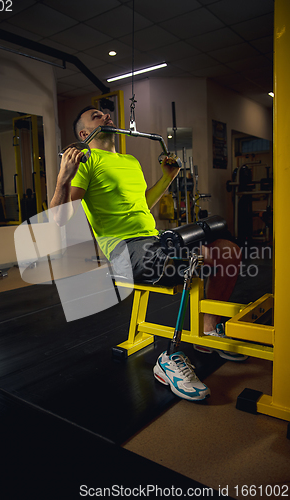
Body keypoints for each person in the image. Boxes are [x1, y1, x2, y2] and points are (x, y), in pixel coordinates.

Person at [50, 106, 244, 402]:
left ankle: (207, 333)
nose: (106, 116)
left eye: (105, 113)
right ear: (84, 134)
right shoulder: (88, 162)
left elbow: (142, 204)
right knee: (186, 261)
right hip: (123, 250)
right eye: (96, 116)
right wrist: (64, 177)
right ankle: (169, 359)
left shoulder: (130, 161)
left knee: (227, 251)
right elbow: (58, 221)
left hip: (154, 239)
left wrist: (168, 178)